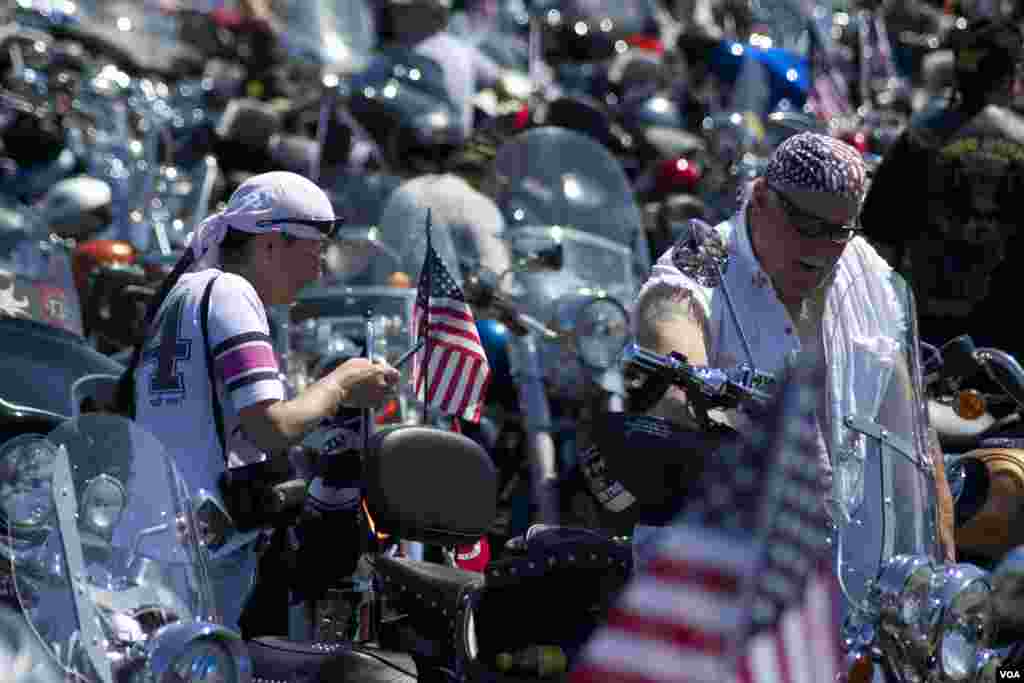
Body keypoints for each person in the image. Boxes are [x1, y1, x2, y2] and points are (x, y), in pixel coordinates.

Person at [633, 132, 956, 562]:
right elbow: (670, 326)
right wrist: (685, 393)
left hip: (843, 565)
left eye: (837, 231)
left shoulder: (867, 273)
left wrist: (938, 538)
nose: (819, 249)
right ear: (761, 198)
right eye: (805, 224)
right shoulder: (705, 260)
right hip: (719, 553)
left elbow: (911, 426)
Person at [117, 171, 399, 631]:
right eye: (314, 252)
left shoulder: (184, 293)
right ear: (270, 244)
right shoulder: (231, 293)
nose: (317, 272)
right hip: (206, 550)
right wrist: (342, 381)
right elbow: (272, 426)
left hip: (158, 537)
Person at [861, 18, 1024, 355]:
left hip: (928, 337)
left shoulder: (919, 137)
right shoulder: (1020, 140)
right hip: (1007, 343)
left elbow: (879, 237)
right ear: (1011, 79)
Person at [379, 0, 503, 143]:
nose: (398, 17)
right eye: (398, 11)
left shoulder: (430, 50)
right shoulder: (458, 47)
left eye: (404, 11)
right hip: (435, 137)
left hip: (438, 139)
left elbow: (496, 77)